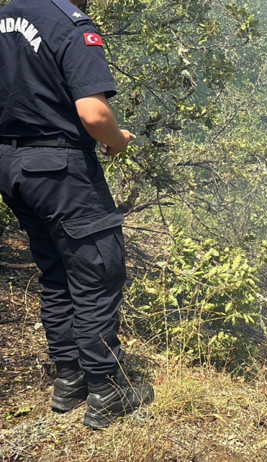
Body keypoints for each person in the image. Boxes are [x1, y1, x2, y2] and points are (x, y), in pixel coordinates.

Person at [0, 0, 153, 429]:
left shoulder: (5, 17)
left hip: (11, 169)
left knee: (56, 271)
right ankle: (108, 388)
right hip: (58, 167)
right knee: (98, 267)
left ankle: (70, 381)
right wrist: (117, 137)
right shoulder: (69, 23)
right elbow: (93, 112)